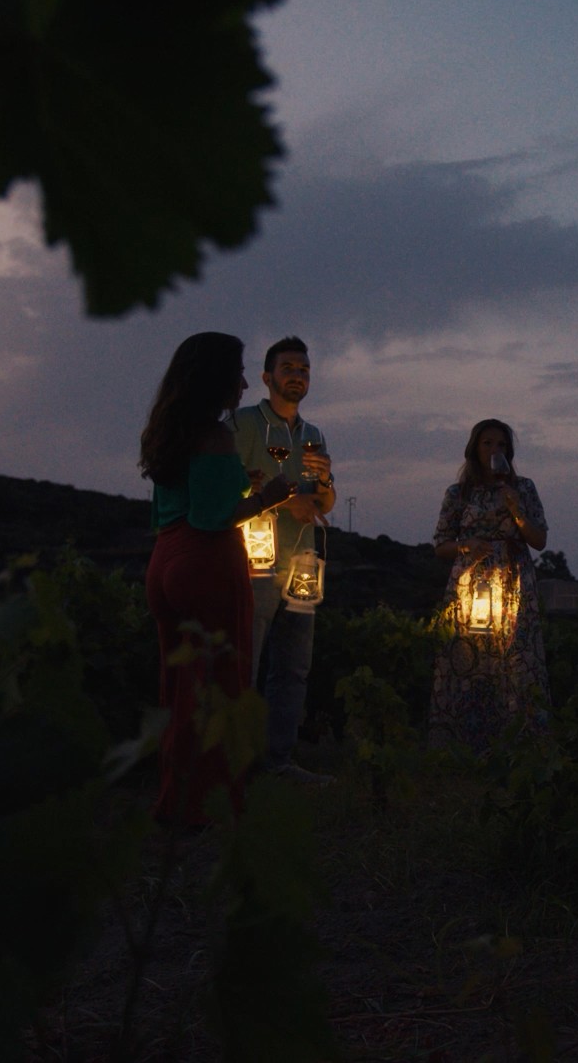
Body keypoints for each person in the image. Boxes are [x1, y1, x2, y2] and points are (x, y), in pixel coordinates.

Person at [140, 331, 295, 825]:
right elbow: (216, 518)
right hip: (205, 565)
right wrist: (270, 496)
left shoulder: (169, 429)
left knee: (179, 685)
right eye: (239, 373)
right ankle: (208, 806)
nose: (246, 383)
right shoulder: (216, 434)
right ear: (216, 379)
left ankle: (175, 798)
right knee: (216, 687)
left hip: (165, 559)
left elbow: (186, 501)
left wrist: (238, 484)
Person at [232, 336, 335, 786]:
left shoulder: (314, 435)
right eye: (289, 367)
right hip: (254, 561)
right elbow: (227, 489)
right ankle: (232, 762)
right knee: (245, 661)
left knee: (293, 666)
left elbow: (323, 504)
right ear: (267, 377)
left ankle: (278, 760)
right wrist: (281, 503)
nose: (298, 374)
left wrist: (325, 481)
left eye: (305, 369)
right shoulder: (242, 425)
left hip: (304, 563)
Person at [429, 419, 551, 750]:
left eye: (501, 445)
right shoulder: (458, 493)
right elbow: (441, 545)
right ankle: (465, 746)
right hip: (470, 588)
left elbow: (538, 540)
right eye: (488, 444)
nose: (494, 451)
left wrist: (516, 510)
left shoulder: (523, 488)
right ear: (475, 449)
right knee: (469, 660)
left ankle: (521, 746)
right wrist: (466, 546)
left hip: (513, 583)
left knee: (515, 659)